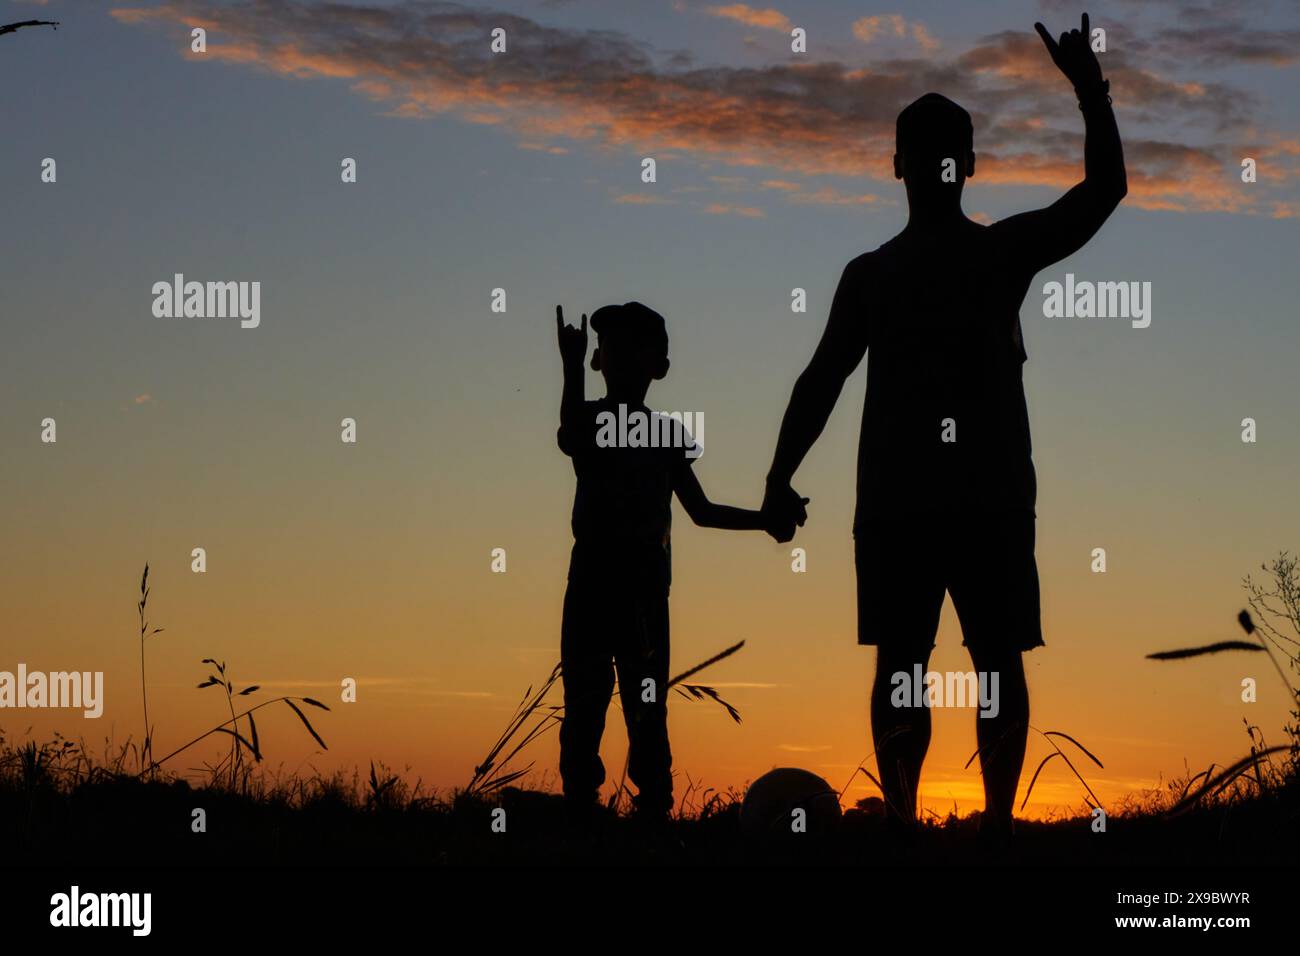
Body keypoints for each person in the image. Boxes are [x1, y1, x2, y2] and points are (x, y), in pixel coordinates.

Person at [760, 14, 1126, 841]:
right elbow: (1104, 192)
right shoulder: (986, 259)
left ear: (898, 167)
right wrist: (1089, 93)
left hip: (916, 505)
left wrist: (780, 478)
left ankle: (907, 818)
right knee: (982, 662)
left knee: (911, 665)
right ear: (966, 165)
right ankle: (980, 823)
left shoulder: (886, 274)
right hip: (974, 501)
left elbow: (822, 380)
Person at [554, 301, 792, 831]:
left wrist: (762, 521)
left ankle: (653, 812)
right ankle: (582, 811)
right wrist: (570, 368)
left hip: (642, 594)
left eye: (633, 349)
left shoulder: (665, 436)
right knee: (585, 705)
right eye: (610, 350)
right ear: (600, 362)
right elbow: (574, 438)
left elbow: (702, 511)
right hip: (593, 587)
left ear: (657, 364)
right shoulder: (593, 420)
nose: (619, 359)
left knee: (646, 710)